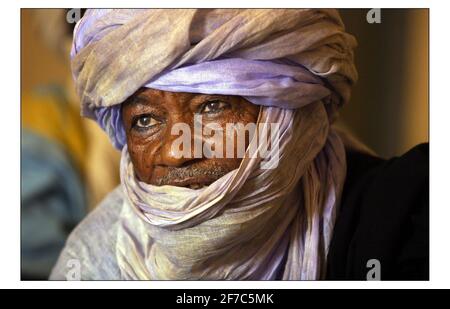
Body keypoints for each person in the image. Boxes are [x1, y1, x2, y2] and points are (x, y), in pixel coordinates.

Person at [50, 9, 428, 280]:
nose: (177, 152)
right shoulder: (92, 263)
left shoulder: (406, 220)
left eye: (213, 107)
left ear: (289, 117)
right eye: (146, 121)